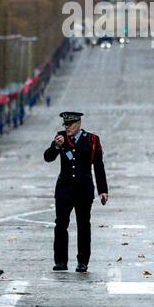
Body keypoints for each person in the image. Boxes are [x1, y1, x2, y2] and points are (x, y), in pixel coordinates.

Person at [44, 110, 108, 272]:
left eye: (70, 124)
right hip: (64, 189)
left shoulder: (92, 140)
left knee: (83, 225)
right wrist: (56, 146)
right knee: (60, 224)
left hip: (84, 189)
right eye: (65, 124)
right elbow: (48, 157)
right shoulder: (60, 137)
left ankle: (83, 261)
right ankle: (60, 261)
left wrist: (103, 190)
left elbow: (98, 165)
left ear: (79, 124)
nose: (67, 127)